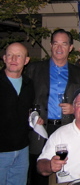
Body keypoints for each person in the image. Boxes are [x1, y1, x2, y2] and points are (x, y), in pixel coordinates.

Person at [25, 29, 80, 185]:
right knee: (38, 174)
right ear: (51, 45)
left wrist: (75, 109)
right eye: (56, 43)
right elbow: (25, 100)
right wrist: (33, 114)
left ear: (70, 48)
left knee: (67, 172)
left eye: (64, 44)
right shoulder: (34, 69)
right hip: (40, 130)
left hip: (67, 129)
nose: (59, 48)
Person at [0, 43, 35, 185]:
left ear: (26, 60)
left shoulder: (29, 84)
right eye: (10, 55)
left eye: (18, 55)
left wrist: (34, 118)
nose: (13, 59)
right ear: (4, 58)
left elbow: (27, 110)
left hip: (22, 150)